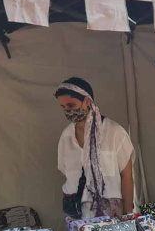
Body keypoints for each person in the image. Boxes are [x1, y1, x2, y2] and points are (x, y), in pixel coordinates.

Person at [55, 78, 136, 218]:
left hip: (111, 210)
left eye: (71, 105)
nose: (68, 111)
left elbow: (127, 176)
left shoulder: (114, 132)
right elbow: (65, 170)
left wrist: (128, 215)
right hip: (76, 208)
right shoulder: (66, 136)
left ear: (87, 101)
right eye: (64, 108)